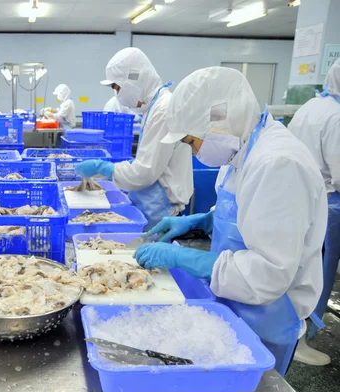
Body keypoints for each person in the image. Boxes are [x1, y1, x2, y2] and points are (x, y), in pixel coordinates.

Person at [134, 66, 327, 375]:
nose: (194, 152)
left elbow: (270, 273)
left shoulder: (278, 163)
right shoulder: (241, 148)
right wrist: (203, 221)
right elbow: (249, 213)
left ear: (219, 122)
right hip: (237, 304)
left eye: (191, 141)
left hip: (268, 316)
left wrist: (185, 257)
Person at [76, 47, 193, 230]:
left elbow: (144, 173)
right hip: (151, 203)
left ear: (133, 80)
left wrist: (104, 168)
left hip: (161, 209)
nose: (117, 93)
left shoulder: (163, 109)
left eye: (117, 87)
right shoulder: (153, 107)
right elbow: (151, 161)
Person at [287, 58, 340, 364]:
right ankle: (304, 334)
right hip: (327, 201)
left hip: (300, 196)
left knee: (300, 267)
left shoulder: (310, 105)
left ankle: (294, 331)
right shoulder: (335, 116)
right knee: (318, 268)